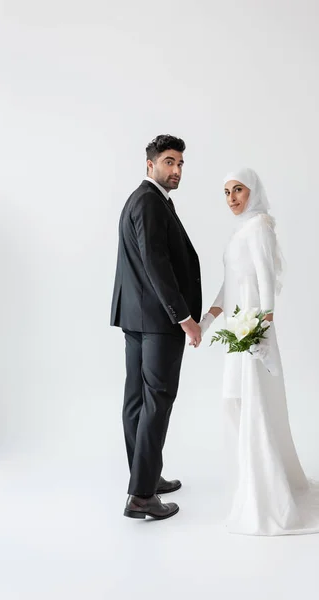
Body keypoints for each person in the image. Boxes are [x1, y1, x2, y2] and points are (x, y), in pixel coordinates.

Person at [200, 168, 319, 535]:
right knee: (234, 401)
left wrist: (259, 330)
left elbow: (265, 281)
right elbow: (228, 285)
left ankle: (265, 493)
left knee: (253, 401)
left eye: (238, 190)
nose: (231, 198)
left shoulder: (259, 225)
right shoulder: (238, 233)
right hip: (236, 332)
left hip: (251, 332)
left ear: (253, 192)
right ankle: (250, 477)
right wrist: (204, 322)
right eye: (226, 191)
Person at [110, 135, 202, 520]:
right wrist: (184, 318)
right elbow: (156, 265)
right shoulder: (149, 202)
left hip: (136, 318)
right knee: (155, 401)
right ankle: (143, 495)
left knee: (137, 401)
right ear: (150, 165)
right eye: (169, 162)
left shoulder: (144, 199)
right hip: (159, 321)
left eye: (180, 163)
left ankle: (145, 475)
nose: (176, 170)